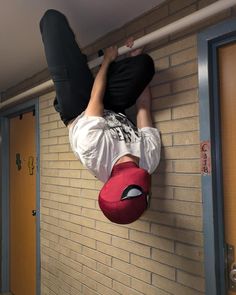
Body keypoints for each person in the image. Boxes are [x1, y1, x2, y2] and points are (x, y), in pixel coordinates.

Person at [39, 9, 161, 224]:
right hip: (111, 109)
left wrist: (108, 61)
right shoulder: (150, 160)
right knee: (144, 65)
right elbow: (143, 107)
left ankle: (78, 73)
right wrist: (135, 63)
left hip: (79, 109)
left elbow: (95, 99)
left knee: (52, 22)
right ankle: (115, 67)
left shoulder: (93, 152)